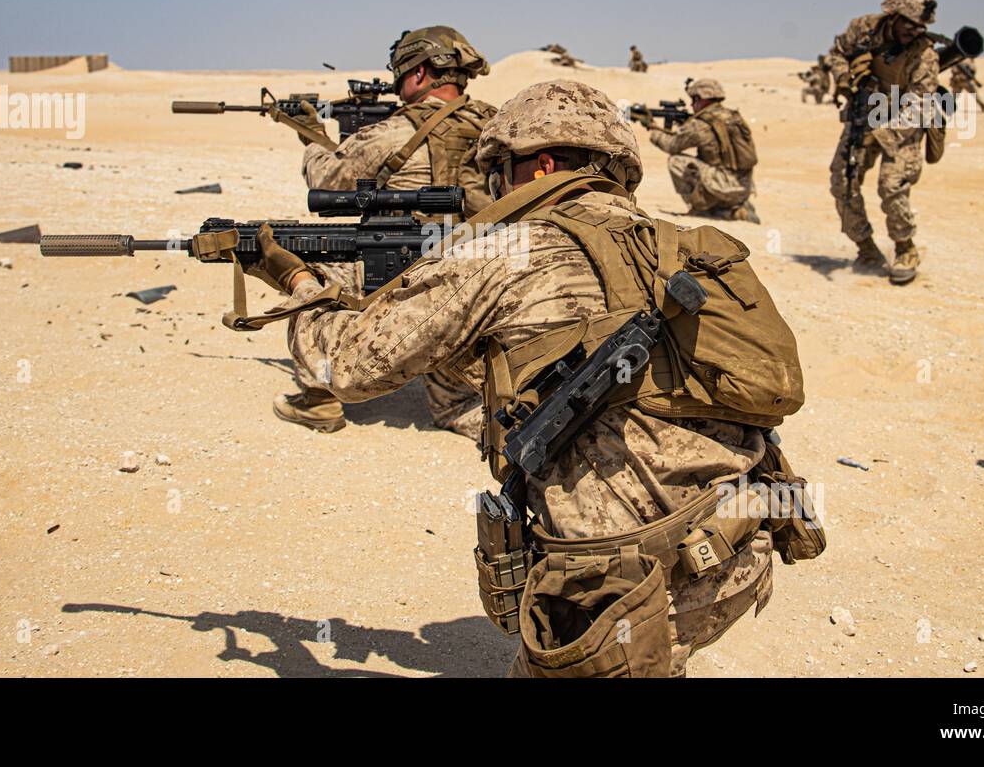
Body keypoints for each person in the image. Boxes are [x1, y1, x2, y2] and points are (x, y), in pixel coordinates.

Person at [243, 80, 820, 677]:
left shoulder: (506, 251)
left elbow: (344, 364)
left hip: (618, 585)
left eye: (498, 173)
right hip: (738, 548)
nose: (492, 189)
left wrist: (296, 284)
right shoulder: (682, 247)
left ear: (540, 165)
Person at [281, 25, 497, 435]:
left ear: (417, 74)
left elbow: (327, 180)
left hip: (416, 293)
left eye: (400, 74)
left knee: (309, 260)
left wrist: (312, 137)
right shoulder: (498, 125)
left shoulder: (396, 130)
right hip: (490, 291)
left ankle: (319, 397)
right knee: (467, 407)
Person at [827, 0, 940, 284]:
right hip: (862, 115)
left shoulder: (924, 54)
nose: (914, 31)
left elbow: (921, 104)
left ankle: (905, 248)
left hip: (902, 124)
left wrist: (883, 134)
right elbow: (837, 53)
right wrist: (843, 79)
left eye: (920, 27)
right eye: (910, 24)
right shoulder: (863, 29)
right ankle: (866, 249)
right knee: (843, 182)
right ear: (893, 13)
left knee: (891, 186)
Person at [647, 78, 759, 222]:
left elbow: (672, 145)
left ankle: (701, 209)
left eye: (694, 100)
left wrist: (654, 130)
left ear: (701, 99)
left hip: (723, 186)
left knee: (676, 161)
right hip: (745, 186)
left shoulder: (699, 124)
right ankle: (735, 210)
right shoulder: (733, 117)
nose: (692, 104)